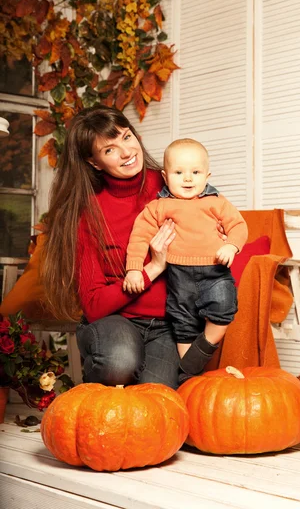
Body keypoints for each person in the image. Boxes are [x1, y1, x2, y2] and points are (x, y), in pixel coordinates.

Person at [42, 106, 181, 388]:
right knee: (119, 362)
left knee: (156, 398)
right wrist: (152, 268)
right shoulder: (87, 212)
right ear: (94, 163)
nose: (127, 152)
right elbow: (93, 305)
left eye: (127, 137)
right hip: (115, 320)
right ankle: (95, 396)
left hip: (168, 323)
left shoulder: (173, 184)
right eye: (109, 150)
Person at [123, 138, 248, 383]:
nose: (188, 178)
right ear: (165, 176)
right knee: (183, 322)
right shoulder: (159, 207)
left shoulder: (216, 202)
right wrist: (134, 269)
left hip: (215, 271)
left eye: (195, 172)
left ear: (207, 175)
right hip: (179, 277)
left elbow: (239, 226)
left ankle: (194, 360)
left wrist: (232, 246)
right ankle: (190, 378)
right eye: (179, 172)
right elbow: (139, 237)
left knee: (223, 309)